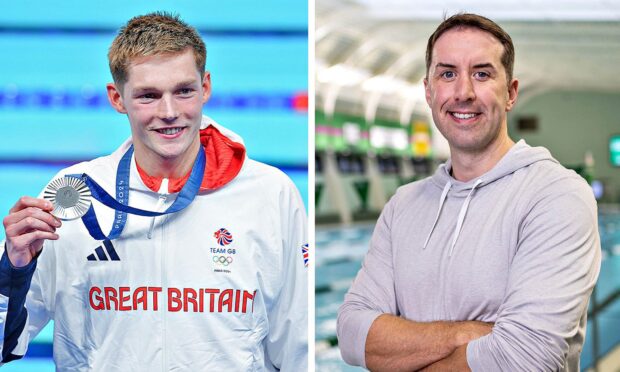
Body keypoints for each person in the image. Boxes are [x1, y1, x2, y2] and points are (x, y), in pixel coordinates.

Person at [0, 12, 307, 371]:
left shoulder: (270, 194)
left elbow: (298, 346)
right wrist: (14, 268)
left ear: (205, 87)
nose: (169, 112)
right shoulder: (75, 197)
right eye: (148, 96)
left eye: (184, 91)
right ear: (117, 98)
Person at [337, 13, 600, 372]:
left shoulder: (556, 195)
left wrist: (400, 345)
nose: (463, 92)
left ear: (510, 93)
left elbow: (527, 358)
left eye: (482, 73)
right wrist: (471, 335)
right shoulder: (402, 205)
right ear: (429, 92)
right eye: (447, 74)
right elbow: (352, 334)